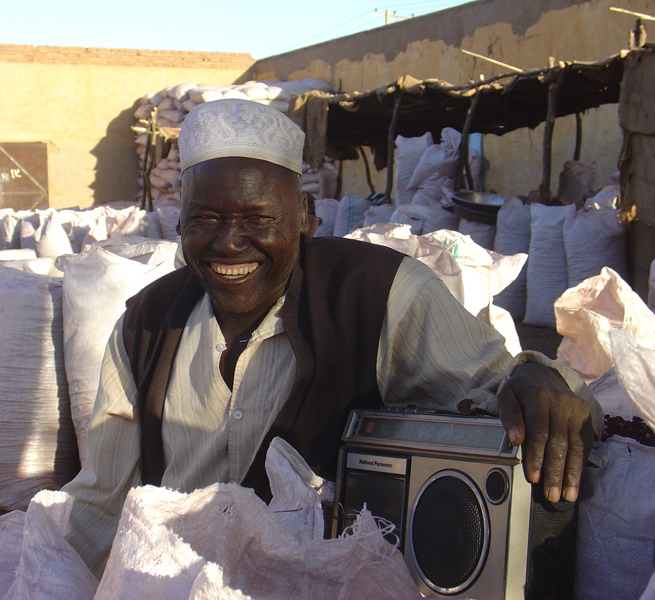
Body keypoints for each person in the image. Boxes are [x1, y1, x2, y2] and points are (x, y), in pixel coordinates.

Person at [63, 98, 601, 577]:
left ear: (305, 218)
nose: (229, 243)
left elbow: (502, 387)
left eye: (257, 217)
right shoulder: (145, 324)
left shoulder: (378, 294)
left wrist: (540, 377)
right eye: (205, 217)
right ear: (179, 224)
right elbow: (99, 504)